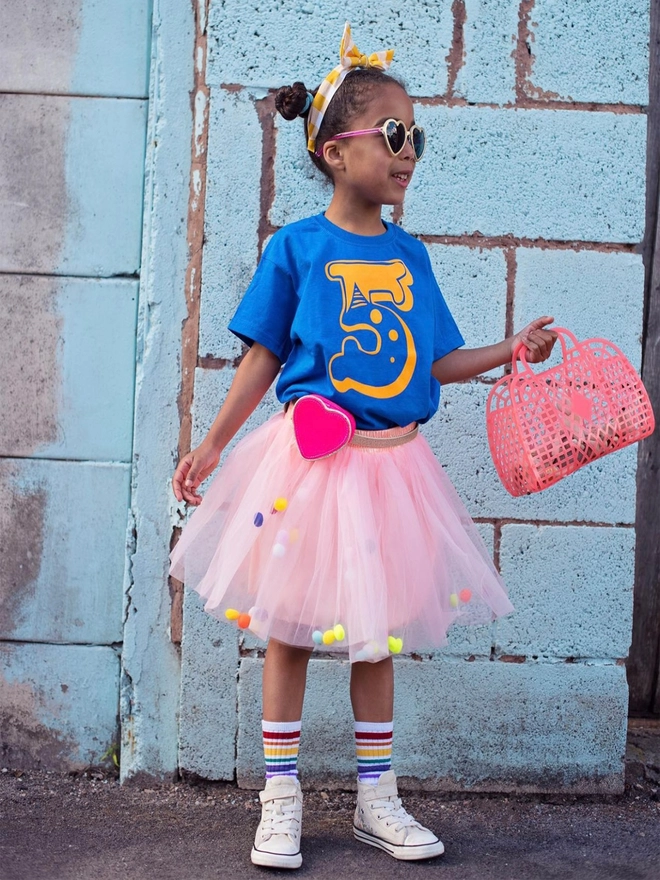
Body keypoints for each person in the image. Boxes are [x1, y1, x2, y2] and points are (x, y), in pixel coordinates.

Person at [170, 23, 557, 870]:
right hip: (309, 468)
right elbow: (264, 357)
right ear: (337, 152)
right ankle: (280, 796)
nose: (409, 151)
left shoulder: (412, 256)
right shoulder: (297, 249)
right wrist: (209, 446)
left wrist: (508, 350)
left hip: (393, 469)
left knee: (376, 638)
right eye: (393, 135)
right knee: (290, 632)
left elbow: (437, 358)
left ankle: (377, 799)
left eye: (417, 137)